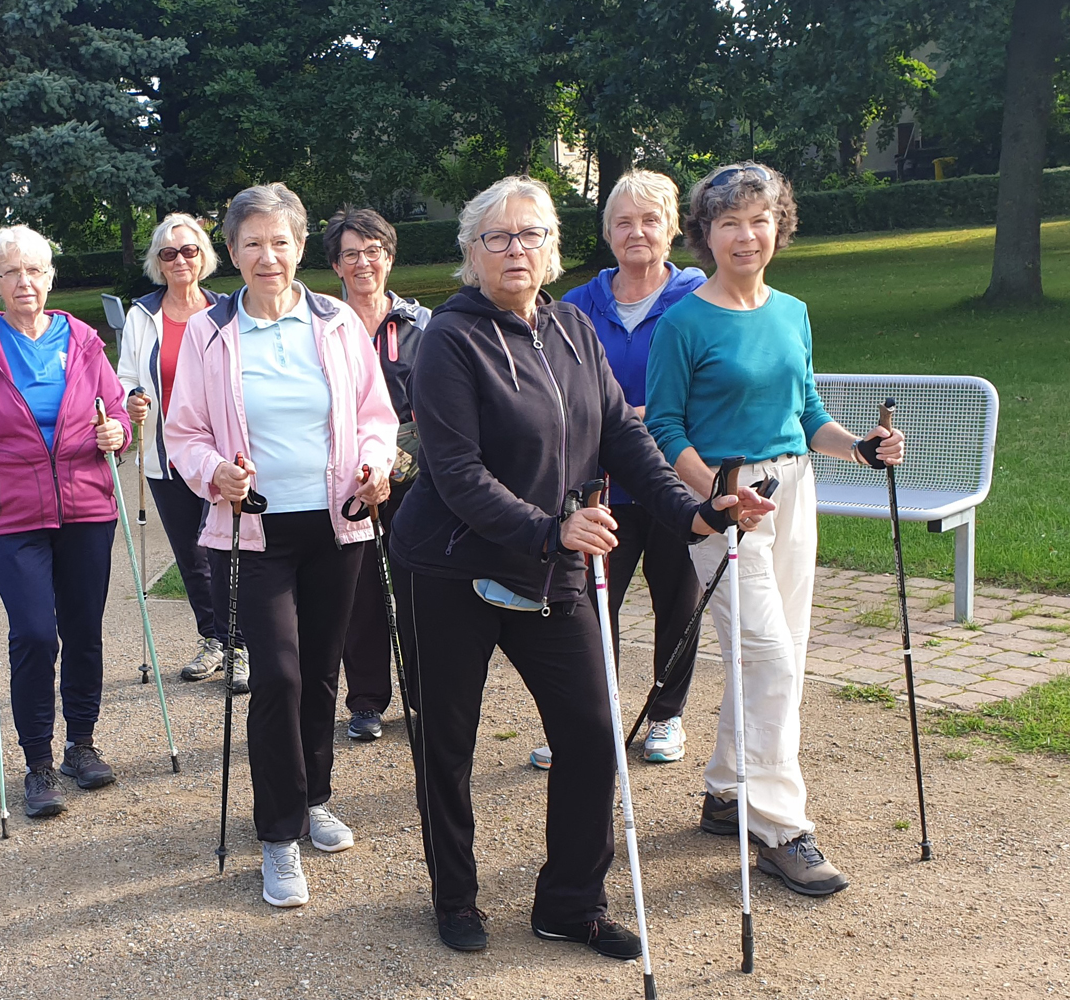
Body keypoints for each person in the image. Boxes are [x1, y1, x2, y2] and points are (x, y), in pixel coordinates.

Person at [388, 175, 776, 956]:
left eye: (530, 235)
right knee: (448, 742)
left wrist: (695, 511)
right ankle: (455, 897)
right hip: (450, 569)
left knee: (593, 734)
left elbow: (624, 440)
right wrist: (551, 529)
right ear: (471, 254)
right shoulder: (450, 341)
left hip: (547, 567)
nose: (515, 249)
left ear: (554, 248)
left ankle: (569, 900)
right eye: (497, 237)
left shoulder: (570, 329)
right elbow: (457, 474)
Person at [645, 161, 905, 897]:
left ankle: (728, 790)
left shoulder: (791, 311)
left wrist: (858, 446)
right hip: (724, 501)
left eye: (759, 219)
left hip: (793, 491)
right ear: (704, 234)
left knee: (777, 650)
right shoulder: (683, 321)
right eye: (729, 222)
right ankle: (781, 829)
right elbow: (662, 427)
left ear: (778, 227)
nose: (746, 235)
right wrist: (720, 495)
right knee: (770, 658)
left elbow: (808, 412)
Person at [164, 183, 398, 908]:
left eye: (282, 241)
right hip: (252, 529)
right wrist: (215, 473)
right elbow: (183, 436)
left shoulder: (335, 323)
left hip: (337, 522)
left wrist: (377, 463)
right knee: (279, 679)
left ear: (301, 247)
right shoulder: (210, 332)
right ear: (230, 252)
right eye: (253, 243)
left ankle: (313, 798)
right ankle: (277, 835)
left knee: (322, 672)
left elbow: (374, 415)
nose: (269, 256)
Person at [0, 225, 131, 820]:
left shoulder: (83, 338)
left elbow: (115, 409)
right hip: (13, 511)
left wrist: (115, 432)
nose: (26, 282)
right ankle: (38, 762)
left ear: (51, 276)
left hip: (86, 504)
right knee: (34, 634)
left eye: (37, 270)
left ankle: (82, 745)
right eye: (12, 272)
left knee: (83, 628)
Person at [549, 168, 707, 767]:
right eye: (623, 222)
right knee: (591, 605)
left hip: (674, 478)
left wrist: (628, 414)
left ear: (671, 230)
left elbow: (708, 390)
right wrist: (625, 415)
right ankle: (598, 716)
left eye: (649, 220)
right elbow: (560, 388)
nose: (636, 232)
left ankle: (666, 716)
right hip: (600, 488)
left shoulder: (697, 299)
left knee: (678, 599)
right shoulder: (576, 305)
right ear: (607, 233)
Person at [116, 214, 241, 689]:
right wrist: (132, 398)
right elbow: (126, 374)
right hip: (165, 458)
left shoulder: (227, 310)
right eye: (169, 253)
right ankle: (212, 639)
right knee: (191, 555)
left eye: (189, 251)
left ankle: (242, 644)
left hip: (221, 457)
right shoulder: (141, 316)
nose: (180, 260)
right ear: (158, 262)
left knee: (232, 548)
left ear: (204, 257)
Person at [323, 207, 431, 741]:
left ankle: (424, 691)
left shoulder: (422, 325)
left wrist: (402, 460)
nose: (364, 263)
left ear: (389, 257)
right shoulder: (322, 328)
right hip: (347, 480)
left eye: (374, 251)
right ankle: (366, 699)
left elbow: (442, 405)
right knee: (359, 591)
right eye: (351, 255)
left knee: (418, 587)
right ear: (336, 266)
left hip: (414, 479)